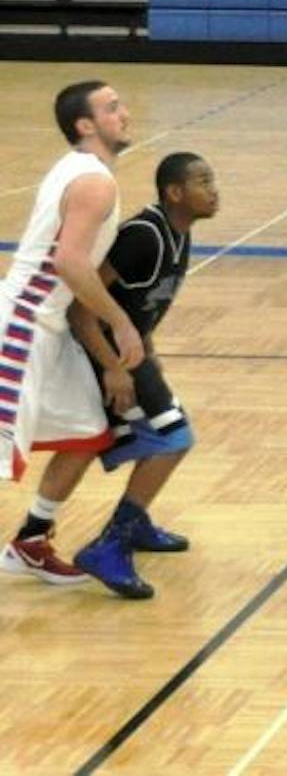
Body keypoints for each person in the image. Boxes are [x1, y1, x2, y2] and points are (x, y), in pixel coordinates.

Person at [61, 152, 218, 599]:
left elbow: (141, 305)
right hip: (98, 354)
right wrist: (113, 369)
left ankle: (135, 520)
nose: (214, 190)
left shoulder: (179, 233)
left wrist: (147, 349)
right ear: (174, 193)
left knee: (166, 436)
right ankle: (112, 542)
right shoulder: (142, 237)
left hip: (128, 353)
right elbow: (80, 310)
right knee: (174, 439)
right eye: (203, 181)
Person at [0, 82, 137, 588]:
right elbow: (70, 263)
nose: (124, 113)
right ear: (85, 125)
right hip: (21, 327)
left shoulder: (84, 172)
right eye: (111, 108)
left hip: (50, 328)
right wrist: (119, 321)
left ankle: (31, 541)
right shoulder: (93, 182)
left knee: (85, 432)